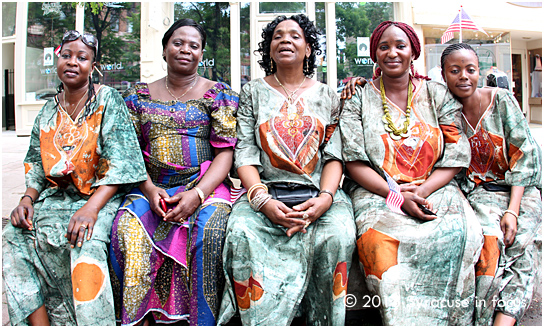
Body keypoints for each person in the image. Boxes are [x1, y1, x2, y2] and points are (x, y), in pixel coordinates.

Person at [338, 21, 483, 325]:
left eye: (400, 46)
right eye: (384, 47)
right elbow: (353, 161)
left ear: (413, 51)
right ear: (375, 54)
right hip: (377, 192)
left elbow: (457, 153)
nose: (392, 53)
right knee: (379, 244)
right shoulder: (358, 97)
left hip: (434, 187)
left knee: (461, 233)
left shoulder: (436, 95)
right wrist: (397, 196)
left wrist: (422, 192)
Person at [217, 14, 356, 326]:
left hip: (318, 195)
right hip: (265, 191)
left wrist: (325, 199)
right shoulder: (252, 92)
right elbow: (245, 152)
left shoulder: (327, 95)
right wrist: (263, 202)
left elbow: (334, 156)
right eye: (278, 36)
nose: (285, 41)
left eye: (295, 36)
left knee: (339, 235)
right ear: (269, 50)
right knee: (240, 233)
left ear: (308, 49)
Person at [2, 30, 147, 326]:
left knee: (85, 242)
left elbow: (122, 160)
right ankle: (40, 322)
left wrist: (91, 209)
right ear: (57, 61)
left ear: (93, 67)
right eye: (66, 55)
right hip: (55, 197)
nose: (72, 62)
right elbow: (35, 163)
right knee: (14, 235)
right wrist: (27, 199)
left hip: (100, 196)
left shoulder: (107, 100)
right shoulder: (47, 111)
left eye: (82, 58)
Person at [108, 18, 239, 326]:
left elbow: (225, 154)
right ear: (165, 49)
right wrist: (151, 190)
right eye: (178, 43)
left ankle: (202, 319)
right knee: (127, 228)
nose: (185, 50)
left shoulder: (217, 94)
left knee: (210, 227)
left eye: (194, 46)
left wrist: (198, 193)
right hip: (151, 186)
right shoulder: (138, 97)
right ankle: (142, 318)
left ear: (201, 53)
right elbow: (129, 153)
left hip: (204, 184)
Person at [440, 43, 542, 326]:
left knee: (521, 242)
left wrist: (512, 210)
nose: (464, 76)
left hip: (520, 190)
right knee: (489, 244)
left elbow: (525, 157)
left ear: (479, 72)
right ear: (443, 74)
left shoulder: (502, 101)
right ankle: (484, 319)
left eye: (470, 69)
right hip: (480, 194)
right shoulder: (445, 113)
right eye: (455, 70)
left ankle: (504, 320)